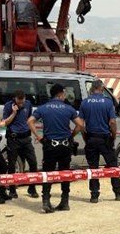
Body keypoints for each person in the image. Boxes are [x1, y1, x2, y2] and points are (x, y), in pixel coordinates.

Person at [31, 83, 85, 213]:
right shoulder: (68, 108)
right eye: (64, 93)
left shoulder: (43, 108)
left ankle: (46, 200)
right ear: (60, 94)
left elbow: (30, 121)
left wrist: (39, 137)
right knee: (65, 173)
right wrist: (72, 135)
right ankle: (64, 201)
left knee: (48, 174)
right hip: (65, 145)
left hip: (50, 145)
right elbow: (80, 124)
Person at [79, 79, 120, 202]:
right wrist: (113, 136)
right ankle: (118, 193)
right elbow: (112, 122)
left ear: (91, 89)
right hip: (105, 138)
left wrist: (85, 137)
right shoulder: (108, 102)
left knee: (93, 167)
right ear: (101, 88)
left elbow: (81, 124)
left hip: (91, 138)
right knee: (112, 166)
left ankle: (94, 195)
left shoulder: (85, 103)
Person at [2, 91, 39, 200]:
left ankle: (32, 188)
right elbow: (6, 123)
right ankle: (12, 190)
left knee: (33, 162)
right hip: (14, 139)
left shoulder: (28, 104)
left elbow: (29, 119)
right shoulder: (8, 106)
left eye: (22, 102)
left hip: (26, 139)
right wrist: (14, 113)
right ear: (15, 99)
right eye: (19, 102)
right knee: (12, 165)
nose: (21, 104)